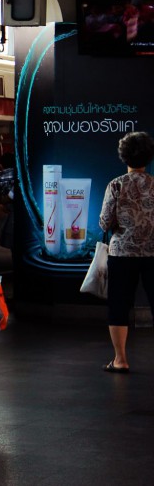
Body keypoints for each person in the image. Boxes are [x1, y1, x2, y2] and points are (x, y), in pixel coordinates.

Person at [98, 131, 154, 374]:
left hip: (122, 254)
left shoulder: (116, 185)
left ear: (124, 156)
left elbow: (104, 223)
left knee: (119, 305)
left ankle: (120, 359)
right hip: (153, 253)